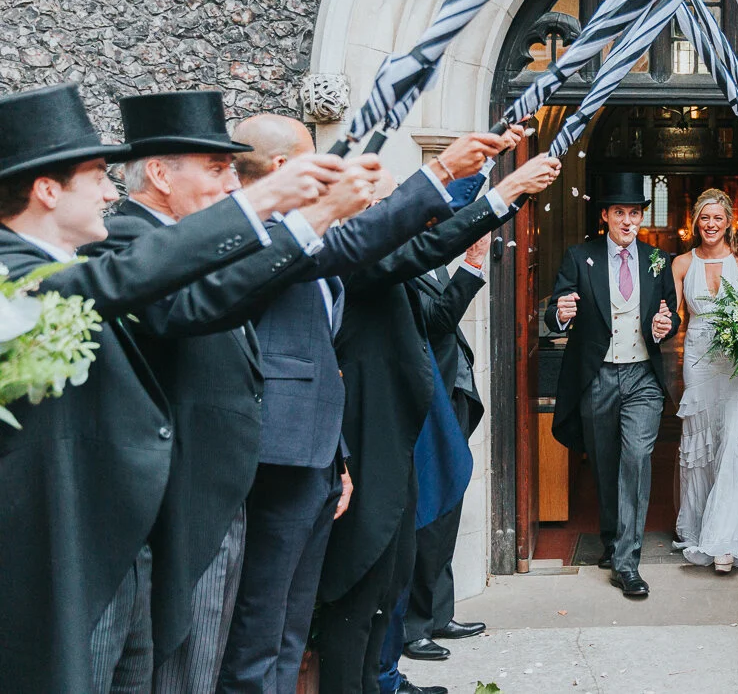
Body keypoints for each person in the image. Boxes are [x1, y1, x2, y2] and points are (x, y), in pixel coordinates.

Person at [0, 83, 343, 693]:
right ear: (48, 189)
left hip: (132, 544)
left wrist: (310, 216)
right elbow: (126, 282)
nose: (111, 192)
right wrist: (261, 203)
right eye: (97, 177)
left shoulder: (76, 266)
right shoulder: (12, 273)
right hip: (69, 555)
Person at [81, 90, 376, 694]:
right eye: (217, 168)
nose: (231, 183)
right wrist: (299, 210)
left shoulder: (193, 241)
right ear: (162, 173)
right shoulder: (124, 243)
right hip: (172, 498)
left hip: (220, 488)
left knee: (217, 655)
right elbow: (192, 302)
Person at [217, 115, 512, 694]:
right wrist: (481, 185)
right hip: (294, 452)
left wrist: (495, 185)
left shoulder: (331, 249)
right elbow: (418, 245)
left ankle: (381, 678)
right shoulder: (313, 248)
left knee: (335, 604)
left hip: (341, 445)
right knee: (280, 621)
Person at [545, 172, 680, 598]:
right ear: (605, 215)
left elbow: (670, 316)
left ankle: (627, 562)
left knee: (636, 458)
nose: (627, 220)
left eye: (634, 213)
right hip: (597, 376)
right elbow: (555, 313)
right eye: (620, 212)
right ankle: (612, 541)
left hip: (642, 376)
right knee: (605, 466)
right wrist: (562, 312)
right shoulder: (578, 257)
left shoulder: (657, 260)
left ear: (641, 217)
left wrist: (665, 324)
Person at [400, 237, 493, 662]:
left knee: (449, 505)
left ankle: (439, 614)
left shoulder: (429, 260)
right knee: (429, 511)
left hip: (451, 395)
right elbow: (436, 321)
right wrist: (473, 263)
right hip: (425, 401)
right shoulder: (397, 265)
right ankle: (414, 627)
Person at [669, 188, 738, 573]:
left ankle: (726, 539)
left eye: (717, 218)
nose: (711, 225)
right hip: (698, 359)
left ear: (729, 222)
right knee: (701, 443)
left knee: (734, 440)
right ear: (695, 222)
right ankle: (697, 528)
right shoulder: (681, 264)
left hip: (736, 362)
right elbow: (674, 318)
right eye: (704, 218)